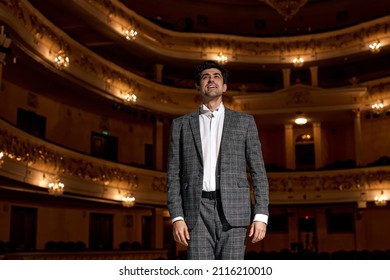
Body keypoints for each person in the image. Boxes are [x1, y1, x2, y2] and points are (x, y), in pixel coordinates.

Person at [166, 60, 269, 260]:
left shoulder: (245, 122)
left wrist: (261, 214)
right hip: (196, 212)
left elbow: (258, 171)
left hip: (235, 211)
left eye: (216, 76)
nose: (211, 80)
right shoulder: (180, 125)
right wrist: (177, 216)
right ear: (198, 86)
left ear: (224, 87)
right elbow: (173, 175)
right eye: (205, 77)